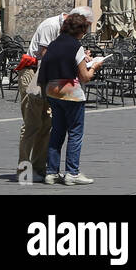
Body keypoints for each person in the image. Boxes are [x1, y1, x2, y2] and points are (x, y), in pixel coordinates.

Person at [17, 5, 93, 183]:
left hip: (52, 80)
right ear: (78, 21)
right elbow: (46, 54)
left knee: (48, 125)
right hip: (35, 74)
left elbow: (57, 54)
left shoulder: (65, 35)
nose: (85, 30)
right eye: (85, 25)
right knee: (31, 125)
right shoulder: (50, 25)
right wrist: (82, 61)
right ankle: (24, 171)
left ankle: (42, 169)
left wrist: (80, 58)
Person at [38, 11, 104, 185]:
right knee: (75, 133)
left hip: (52, 91)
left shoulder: (53, 44)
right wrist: (95, 66)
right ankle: (72, 173)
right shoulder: (76, 46)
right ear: (80, 30)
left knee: (57, 132)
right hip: (72, 94)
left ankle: (51, 172)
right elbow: (85, 76)